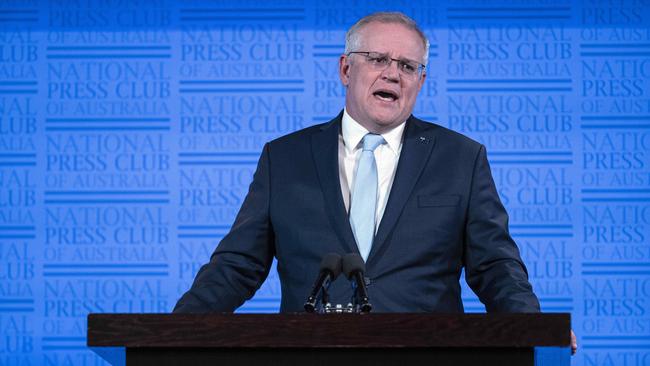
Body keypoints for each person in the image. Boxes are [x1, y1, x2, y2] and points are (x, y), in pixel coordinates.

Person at [175, 12, 574, 348]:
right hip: (310, 354)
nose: (393, 74)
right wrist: (175, 329)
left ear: (420, 80)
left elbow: (496, 267)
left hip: (430, 356)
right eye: (378, 59)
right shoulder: (285, 158)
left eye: (407, 66)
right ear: (346, 68)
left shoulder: (461, 158)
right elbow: (237, 264)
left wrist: (532, 328)